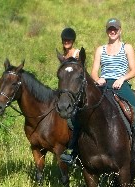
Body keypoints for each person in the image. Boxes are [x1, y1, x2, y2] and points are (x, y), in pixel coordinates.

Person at [91, 18, 135, 168]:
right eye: (110, 29)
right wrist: (98, 79)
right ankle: (74, 148)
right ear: (107, 31)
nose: (112, 31)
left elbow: (134, 70)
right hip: (103, 84)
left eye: (115, 29)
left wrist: (122, 78)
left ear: (120, 31)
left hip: (120, 84)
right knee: (85, 108)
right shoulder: (100, 49)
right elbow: (93, 71)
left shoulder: (127, 47)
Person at [59, 27, 80, 164]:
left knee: (74, 119)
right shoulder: (63, 55)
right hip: (65, 88)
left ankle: (74, 148)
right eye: (65, 40)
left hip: (75, 89)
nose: (67, 41)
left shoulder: (76, 53)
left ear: (73, 41)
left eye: (69, 40)